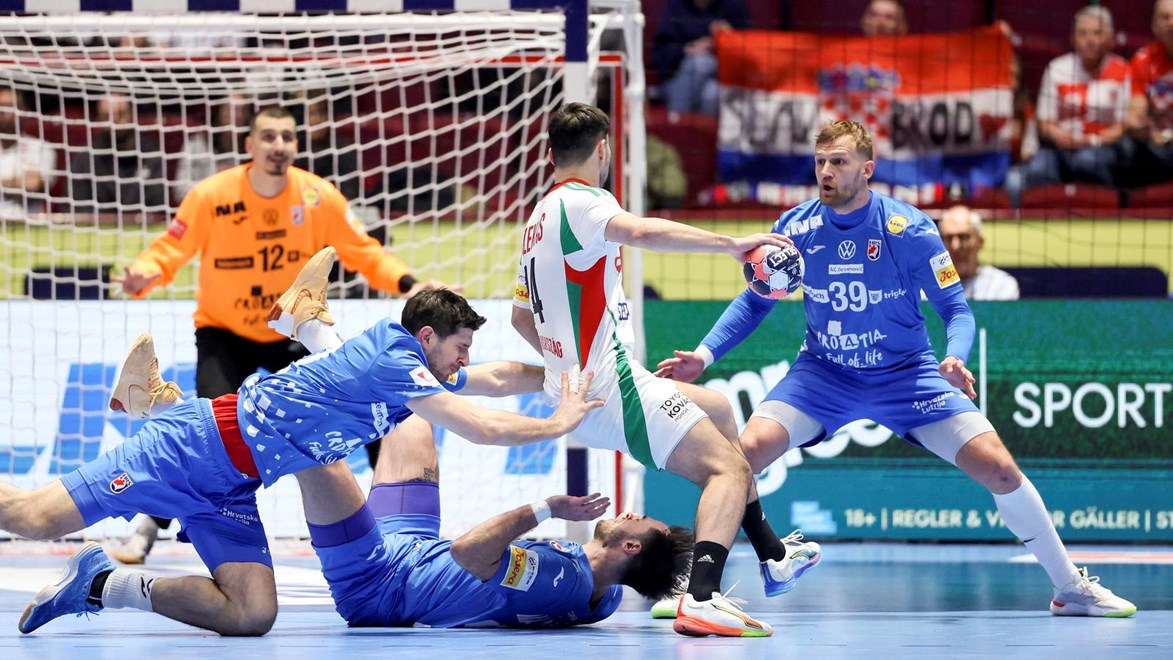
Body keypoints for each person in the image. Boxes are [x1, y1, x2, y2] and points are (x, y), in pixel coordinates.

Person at [656, 120, 1136, 619]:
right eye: (820, 162)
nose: (826, 172)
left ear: (867, 169)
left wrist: (955, 357)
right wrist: (703, 355)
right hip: (823, 375)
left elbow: (956, 310)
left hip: (907, 375)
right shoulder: (794, 229)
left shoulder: (910, 230)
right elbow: (756, 301)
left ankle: (1069, 587)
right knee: (740, 456)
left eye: (838, 162)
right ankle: (697, 586)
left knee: (999, 468)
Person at [5, 252, 601, 637]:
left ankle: (99, 584)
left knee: (252, 614)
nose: (465, 361)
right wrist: (562, 420)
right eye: (461, 348)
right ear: (427, 338)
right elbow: (482, 426)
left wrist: (564, 375)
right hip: (185, 452)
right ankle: (191, 384)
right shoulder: (398, 366)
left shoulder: (415, 366)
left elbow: (496, 378)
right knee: (32, 518)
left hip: (233, 487)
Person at [510, 103, 821, 639]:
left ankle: (773, 555)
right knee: (727, 471)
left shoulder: (536, 222)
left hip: (589, 387)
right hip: (612, 388)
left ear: (550, 153)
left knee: (718, 408)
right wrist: (730, 244)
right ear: (603, 149)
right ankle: (701, 596)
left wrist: (570, 366)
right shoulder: (585, 202)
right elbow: (644, 232)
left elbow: (520, 319)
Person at [111, 105, 452, 564]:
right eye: (269, 136)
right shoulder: (212, 195)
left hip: (293, 330)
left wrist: (409, 284)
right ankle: (150, 526)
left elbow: (363, 251)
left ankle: (398, 526)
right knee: (201, 432)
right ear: (249, 145)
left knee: (369, 404)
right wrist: (143, 275)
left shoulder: (318, 196)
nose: (279, 146)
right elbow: (171, 248)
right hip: (225, 333)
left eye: (287, 137)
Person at [293, 406, 693, 628]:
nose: (632, 513)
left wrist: (548, 508)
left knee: (313, 450)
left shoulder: (559, 577)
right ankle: (317, 331)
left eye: (641, 519)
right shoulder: (606, 599)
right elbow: (648, 581)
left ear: (630, 545)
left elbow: (467, 551)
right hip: (415, 543)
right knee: (412, 410)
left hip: (379, 582)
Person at [1007, 6, 1131, 205]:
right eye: (1083, 33)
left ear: (1110, 39)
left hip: (1103, 148)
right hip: (1059, 148)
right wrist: (1057, 134)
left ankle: (1113, 208)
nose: (1090, 40)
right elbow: (1044, 123)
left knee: (1087, 162)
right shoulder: (1056, 69)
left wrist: (1091, 140)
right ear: (1073, 38)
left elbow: (1124, 125)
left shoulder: (1123, 70)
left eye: (1097, 33)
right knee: (1034, 171)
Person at [68, 94, 168, 213]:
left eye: (121, 114)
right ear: (98, 119)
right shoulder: (85, 159)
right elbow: (76, 208)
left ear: (132, 115)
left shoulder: (151, 154)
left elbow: (158, 207)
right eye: (107, 116)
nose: (114, 121)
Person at [651, 0, 751, 116]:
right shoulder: (675, 5)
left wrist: (730, 39)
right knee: (700, 65)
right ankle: (680, 120)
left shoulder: (733, 5)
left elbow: (751, 58)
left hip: (720, 78)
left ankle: (678, 121)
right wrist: (687, 50)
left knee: (712, 94)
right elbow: (660, 59)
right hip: (677, 78)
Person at [173, 94, 253, 202]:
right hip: (204, 207)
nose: (238, 115)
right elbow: (180, 191)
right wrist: (215, 186)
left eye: (243, 110)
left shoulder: (254, 148)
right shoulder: (195, 145)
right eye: (230, 109)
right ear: (219, 111)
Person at [1128, 0, 1173, 185]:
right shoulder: (1143, 59)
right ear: (1154, 25)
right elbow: (1136, 114)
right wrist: (1147, 130)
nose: (1171, 23)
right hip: (1155, 142)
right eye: (1165, 17)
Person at [938, 206, 1019, 301]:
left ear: (980, 242)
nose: (955, 246)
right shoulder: (926, 286)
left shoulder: (1001, 285)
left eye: (963, 237)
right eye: (948, 238)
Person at [0, 85, 57, 219]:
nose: (6, 113)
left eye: (12, 107)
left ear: (23, 110)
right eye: (2, 107)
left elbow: (34, 184)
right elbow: (27, 182)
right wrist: (19, 181)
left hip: (27, 223)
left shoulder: (41, 148)